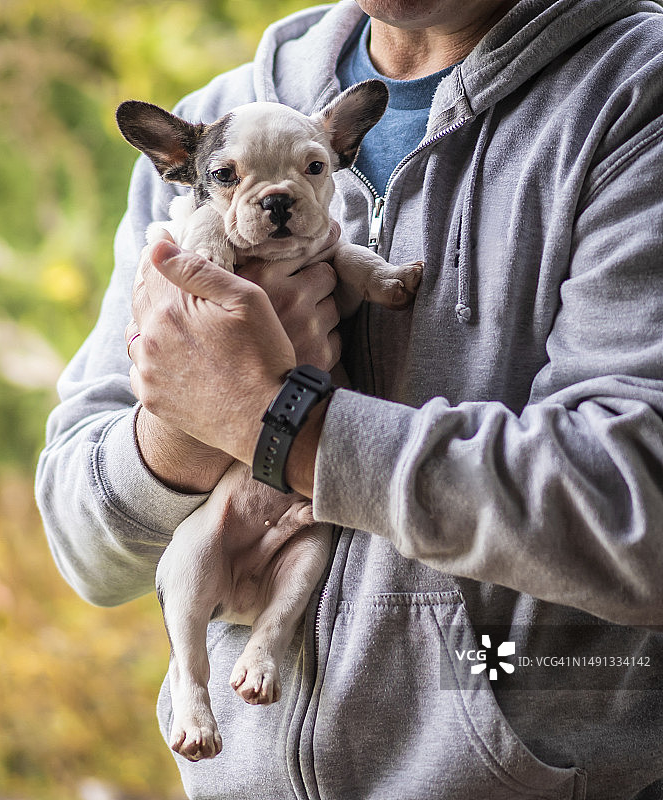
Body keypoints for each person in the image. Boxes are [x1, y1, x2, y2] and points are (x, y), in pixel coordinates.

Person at [36, 0, 663, 796]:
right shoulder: (205, 122)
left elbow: (640, 508)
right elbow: (83, 544)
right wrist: (186, 426)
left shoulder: (636, 92)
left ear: (334, 152)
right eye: (232, 179)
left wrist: (280, 423)